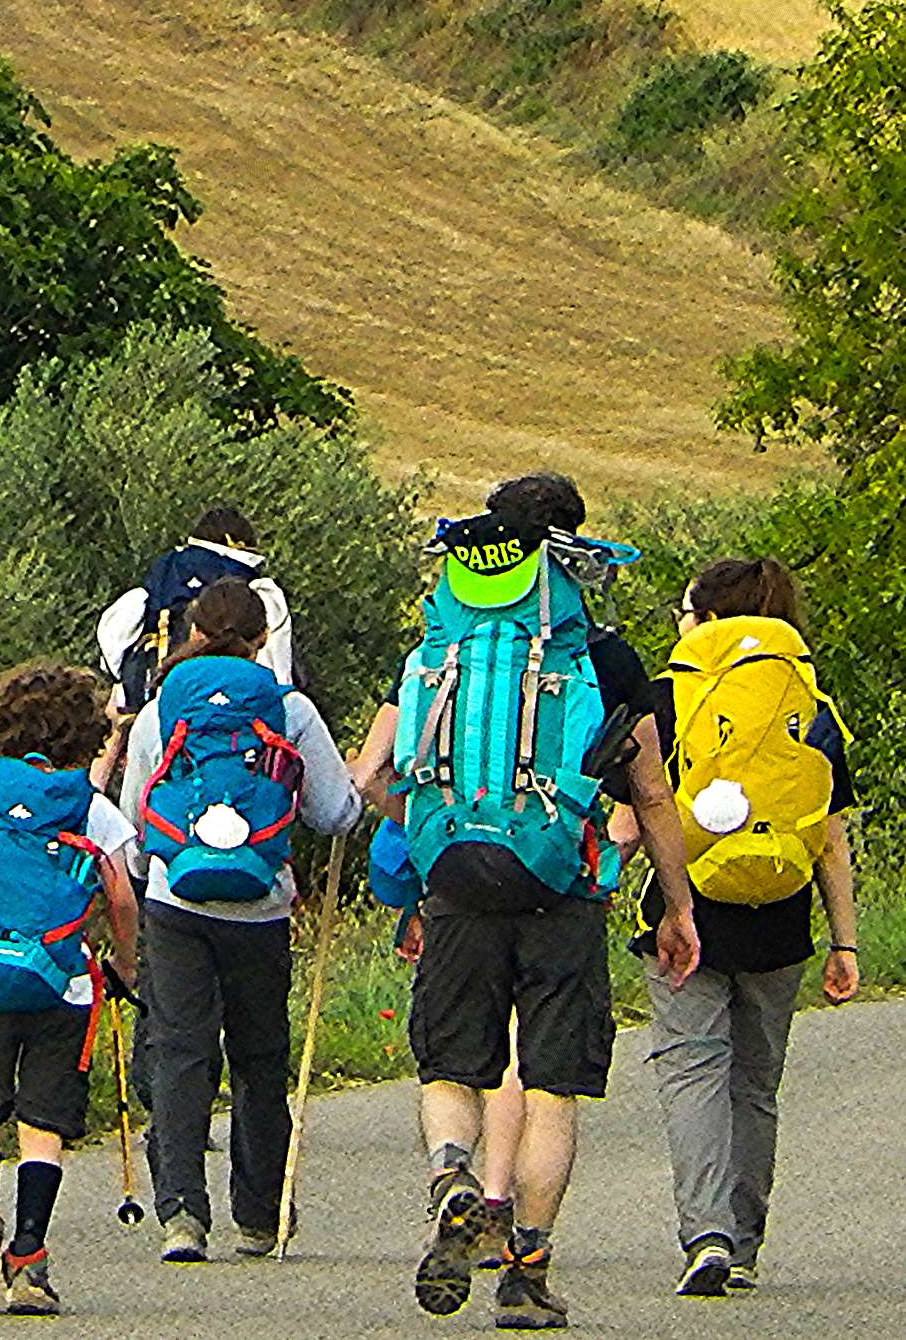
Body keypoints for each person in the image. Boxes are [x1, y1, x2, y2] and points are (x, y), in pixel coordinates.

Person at [364, 472, 699, 1332]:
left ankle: (452, 1177)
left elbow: (371, 777)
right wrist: (676, 905)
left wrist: (434, 827)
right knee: (550, 1089)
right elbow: (653, 796)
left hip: (454, 890)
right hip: (564, 892)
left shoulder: (437, 645)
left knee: (449, 1067)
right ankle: (526, 1275)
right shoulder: (601, 655)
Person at [115, 576, 361, 1262]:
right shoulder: (290, 709)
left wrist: (148, 879)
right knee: (259, 1057)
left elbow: (138, 816)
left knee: (181, 1051)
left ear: (195, 630)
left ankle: (182, 1215)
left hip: (176, 901)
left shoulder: (163, 707)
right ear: (262, 638)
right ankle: (259, 1213)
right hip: (261, 905)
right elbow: (334, 812)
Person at [639, 557, 861, 1298]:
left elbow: (633, 810)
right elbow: (829, 833)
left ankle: (704, 1234)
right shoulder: (809, 703)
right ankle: (743, 1241)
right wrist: (844, 940)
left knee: (691, 1074)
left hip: (684, 913)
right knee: (755, 1084)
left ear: (704, 619)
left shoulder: (670, 696)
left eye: (684, 610)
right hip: (781, 915)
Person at [0, 661, 139, 1317]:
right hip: (61, 982)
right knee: (43, 1126)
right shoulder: (87, 805)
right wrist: (126, 963)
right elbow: (120, 898)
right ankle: (29, 1259)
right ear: (86, 736)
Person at [97, 507, 296, 719]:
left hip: (152, 711)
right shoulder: (259, 592)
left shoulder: (159, 582)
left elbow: (112, 652)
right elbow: (277, 675)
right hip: (236, 718)